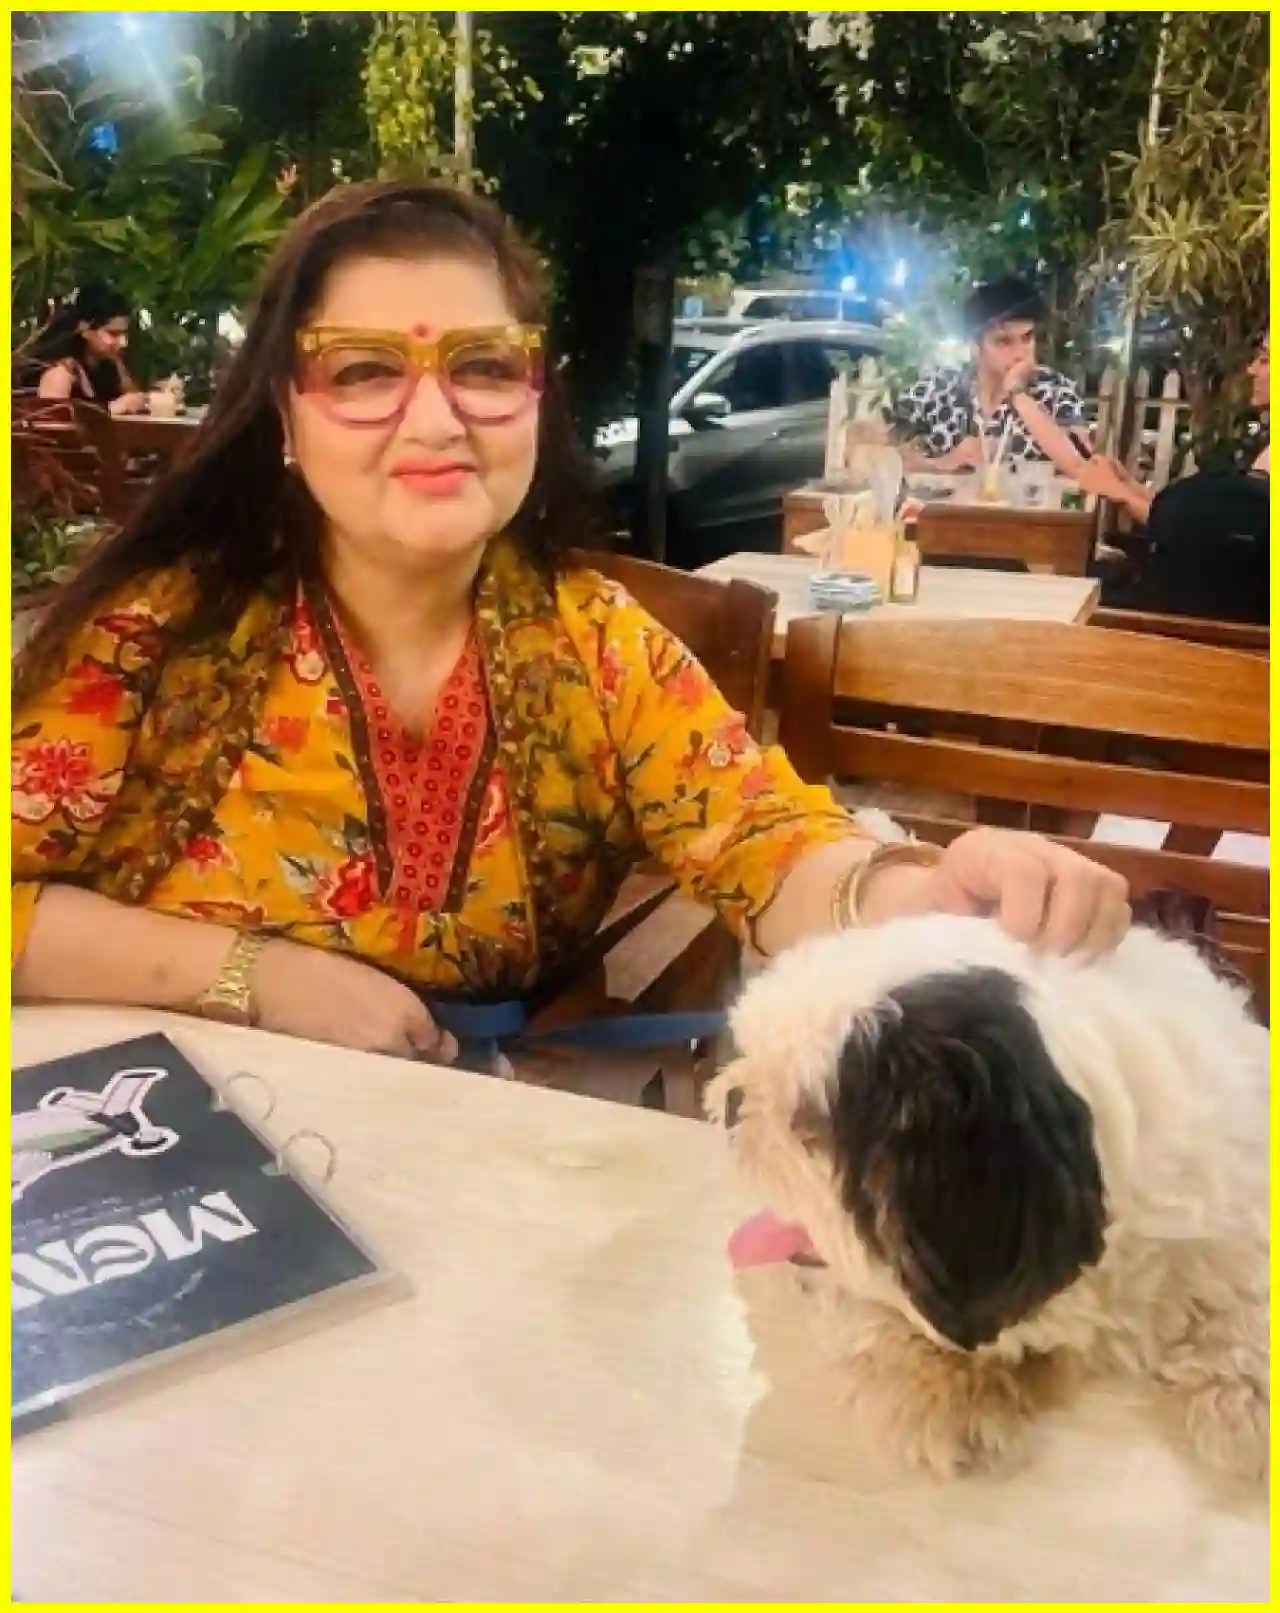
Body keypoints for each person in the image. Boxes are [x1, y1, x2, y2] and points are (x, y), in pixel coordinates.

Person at [11, 180, 1130, 1065]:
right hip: (155, 1156)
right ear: (284, 419)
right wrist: (256, 977)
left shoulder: (598, 646)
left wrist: (932, 899)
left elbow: (768, 845)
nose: (436, 419)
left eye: (482, 366)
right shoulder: (156, 636)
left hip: (476, 1163)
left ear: (533, 398)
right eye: (362, 371)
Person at [894, 277, 1087, 474]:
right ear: (975, 346)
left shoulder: (1054, 391)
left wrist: (1019, 396)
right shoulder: (940, 388)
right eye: (1004, 342)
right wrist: (942, 463)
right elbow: (880, 452)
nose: (1020, 353)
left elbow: (1083, 468)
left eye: (1027, 338)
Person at [16, 283, 147, 415]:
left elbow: (135, 399)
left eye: (125, 334)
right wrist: (112, 409)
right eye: (113, 334)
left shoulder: (111, 365)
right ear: (84, 329)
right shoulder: (61, 372)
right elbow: (51, 421)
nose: (124, 343)